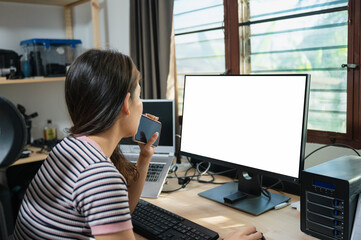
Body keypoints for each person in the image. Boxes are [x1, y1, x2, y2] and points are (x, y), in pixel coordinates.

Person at [12, 49, 263, 240]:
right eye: (139, 94)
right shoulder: (99, 176)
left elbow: (125, 211)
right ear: (125, 104)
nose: (142, 103)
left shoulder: (70, 147)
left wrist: (144, 158)